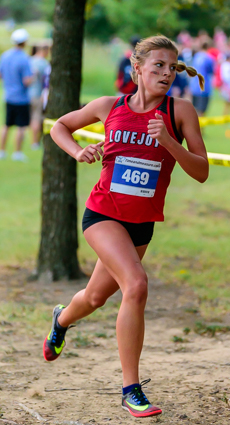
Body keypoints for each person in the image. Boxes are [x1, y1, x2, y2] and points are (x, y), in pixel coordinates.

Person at [43, 35, 209, 418]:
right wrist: (78, 150)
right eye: (158, 66)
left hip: (141, 223)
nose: (166, 73)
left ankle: (61, 319)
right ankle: (131, 389)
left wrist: (169, 141)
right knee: (136, 285)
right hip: (102, 214)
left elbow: (200, 171)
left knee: (95, 297)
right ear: (137, 69)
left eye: (172, 67)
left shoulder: (179, 111)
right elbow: (59, 127)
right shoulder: (109, 106)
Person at [0, 29, 33, 161]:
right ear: (24, 42)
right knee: (21, 126)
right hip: (21, 98)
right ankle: (17, 153)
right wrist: (34, 77)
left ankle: (2, 151)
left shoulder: (5, 55)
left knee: (6, 125)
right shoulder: (24, 58)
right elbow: (26, 81)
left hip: (8, 96)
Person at [29, 44, 50, 149]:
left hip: (26, 95)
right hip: (38, 95)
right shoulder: (44, 63)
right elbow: (46, 81)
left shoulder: (29, 61)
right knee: (37, 119)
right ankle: (35, 143)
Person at [190, 41, 214, 117]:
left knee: (194, 110)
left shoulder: (196, 56)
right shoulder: (209, 58)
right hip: (204, 87)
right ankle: (199, 128)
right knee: (202, 112)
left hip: (194, 86)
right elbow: (212, 71)